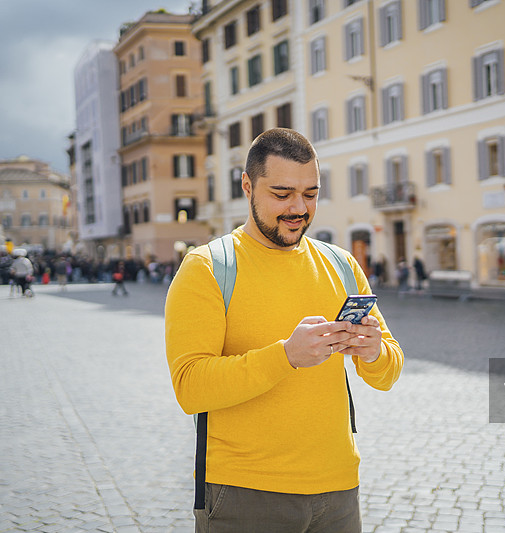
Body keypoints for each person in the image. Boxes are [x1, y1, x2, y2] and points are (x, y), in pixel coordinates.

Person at [165, 128, 404, 532]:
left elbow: (388, 372)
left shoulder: (342, 265)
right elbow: (190, 388)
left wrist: (374, 352)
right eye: (282, 194)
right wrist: (286, 356)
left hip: (339, 489)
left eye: (311, 194)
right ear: (247, 186)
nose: (298, 208)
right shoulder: (207, 268)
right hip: (245, 492)